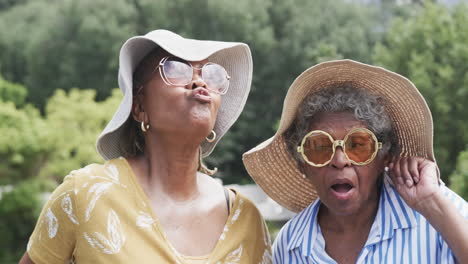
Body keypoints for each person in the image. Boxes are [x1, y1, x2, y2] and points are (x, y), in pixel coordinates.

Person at [20, 29, 271, 264]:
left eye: (210, 74)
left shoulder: (246, 219)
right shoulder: (85, 193)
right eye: (175, 69)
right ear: (139, 107)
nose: (199, 82)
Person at [243, 60, 467, 263]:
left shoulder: (437, 210)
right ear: (303, 165)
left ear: (383, 157)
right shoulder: (290, 245)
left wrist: (431, 202)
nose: (340, 161)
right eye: (320, 148)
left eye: (358, 145)